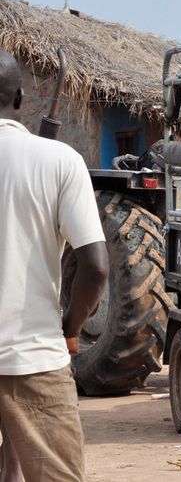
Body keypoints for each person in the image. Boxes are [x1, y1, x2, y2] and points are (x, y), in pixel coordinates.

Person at [0, 50, 109, 481]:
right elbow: (96, 268)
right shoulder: (59, 160)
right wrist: (70, 327)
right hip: (36, 361)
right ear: (21, 98)